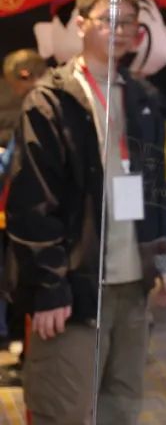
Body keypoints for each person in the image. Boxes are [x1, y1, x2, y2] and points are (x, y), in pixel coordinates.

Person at [5, 0, 166, 424]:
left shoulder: (143, 98)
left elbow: (156, 189)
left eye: (130, 23)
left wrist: (165, 259)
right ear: (81, 24)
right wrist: (49, 287)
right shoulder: (52, 99)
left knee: (122, 401)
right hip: (76, 285)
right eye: (108, 20)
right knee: (62, 406)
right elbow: (32, 203)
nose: (120, 31)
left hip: (132, 283)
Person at [0, 49, 48, 382]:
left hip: (35, 216)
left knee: (30, 288)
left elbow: (14, 164)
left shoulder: (36, 108)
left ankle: (32, 364)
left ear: (24, 76)